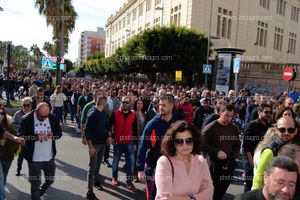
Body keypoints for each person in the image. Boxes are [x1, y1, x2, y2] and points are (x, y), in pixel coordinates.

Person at [155, 121, 214, 200]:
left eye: (189, 140)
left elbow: (209, 193)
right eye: (179, 141)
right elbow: (165, 198)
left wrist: (183, 198)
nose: (185, 145)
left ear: (194, 141)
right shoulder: (164, 162)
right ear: (172, 143)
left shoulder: (201, 161)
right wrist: (198, 196)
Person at [137, 94, 176, 200]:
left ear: (172, 106)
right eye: (160, 105)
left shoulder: (177, 124)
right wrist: (140, 169)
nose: (161, 107)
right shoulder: (152, 124)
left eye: (164, 105)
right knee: (153, 197)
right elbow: (142, 147)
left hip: (173, 168)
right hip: (153, 168)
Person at [19, 102, 62, 200]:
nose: (44, 118)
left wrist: (53, 135)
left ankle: (41, 192)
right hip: (34, 160)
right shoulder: (27, 119)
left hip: (49, 158)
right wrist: (36, 137)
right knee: (35, 184)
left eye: (46, 116)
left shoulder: (52, 118)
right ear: (36, 111)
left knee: (50, 180)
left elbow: (59, 133)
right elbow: (21, 137)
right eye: (41, 116)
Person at [202, 103, 241, 200]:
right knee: (212, 191)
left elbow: (237, 144)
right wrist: (216, 152)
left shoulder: (233, 128)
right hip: (213, 164)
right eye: (226, 115)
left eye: (231, 116)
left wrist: (231, 158)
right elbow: (200, 144)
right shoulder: (211, 127)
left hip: (228, 164)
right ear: (220, 113)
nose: (229, 118)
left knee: (222, 190)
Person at [252, 117, 298, 189]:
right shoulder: (270, 151)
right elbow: (258, 178)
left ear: (296, 131)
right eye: (282, 130)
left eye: (290, 130)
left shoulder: (296, 149)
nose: (286, 133)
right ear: (276, 130)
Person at [85, 96, 113, 200]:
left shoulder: (103, 113)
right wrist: (90, 147)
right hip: (95, 145)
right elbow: (87, 132)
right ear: (103, 104)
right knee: (92, 167)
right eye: (106, 103)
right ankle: (89, 192)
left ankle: (96, 181)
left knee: (97, 166)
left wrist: (110, 135)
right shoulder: (92, 114)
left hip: (102, 144)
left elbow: (107, 124)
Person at [242, 104, 272, 191]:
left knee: (259, 182)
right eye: (266, 112)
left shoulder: (269, 126)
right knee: (249, 183)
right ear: (259, 112)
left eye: (270, 112)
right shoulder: (251, 125)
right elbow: (246, 146)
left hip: (261, 157)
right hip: (249, 157)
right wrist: (251, 161)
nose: (268, 114)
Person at [110, 96, 138, 191]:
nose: (125, 104)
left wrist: (134, 143)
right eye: (123, 102)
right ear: (121, 102)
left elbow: (135, 130)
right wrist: (110, 136)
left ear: (129, 103)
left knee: (130, 164)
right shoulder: (115, 113)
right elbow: (109, 125)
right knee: (115, 162)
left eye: (127, 102)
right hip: (118, 143)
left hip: (129, 143)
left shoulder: (133, 115)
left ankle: (129, 182)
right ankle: (114, 178)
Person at [13, 97, 33, 176]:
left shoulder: (35, 114)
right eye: (24, 105)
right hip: (21, 139)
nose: (26, 107)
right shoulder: (18, 114)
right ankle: (18, 170)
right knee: (20, 157)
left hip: (32, 139)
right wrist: (21, 127)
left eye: (28, 105)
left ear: (31, 105)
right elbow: (13, 124)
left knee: (31, 158)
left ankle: (32, 173)